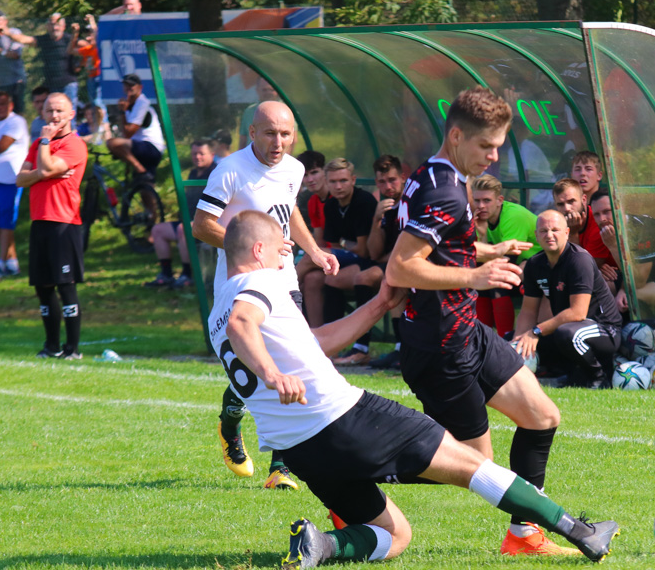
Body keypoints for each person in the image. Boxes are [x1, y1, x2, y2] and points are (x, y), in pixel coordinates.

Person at [210, 209, 620, 567]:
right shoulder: (258, 285)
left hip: (301, 450)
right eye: (282, 246)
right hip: (344, 419)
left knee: (396, 537)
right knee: (475, 464)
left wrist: (378, 306)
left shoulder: (217, 310)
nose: (288, 253)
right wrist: (271, 374)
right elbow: (242, 324)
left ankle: (322, 545)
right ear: (258, 252)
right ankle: (578, 531)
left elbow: (314, 343)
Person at [386, 86, 575, 556]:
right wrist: (477, 274)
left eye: (498, 146)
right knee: (476, 464)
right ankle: (357, 464)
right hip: (439, 345)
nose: (493, 157)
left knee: (542, 416)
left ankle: (524, 536)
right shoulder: (446, 190)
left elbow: (442, 246)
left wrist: (490, 251)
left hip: (465, 330)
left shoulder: (435, 173)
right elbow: (401, 267)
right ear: (456, 135)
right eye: (486, 146)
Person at [192, 100, 338, 490]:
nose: (278, 142)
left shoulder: (294, 168)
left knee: (290, 359)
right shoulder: (230, 171)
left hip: (284, 280)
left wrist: (315, 251)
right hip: (239, 283)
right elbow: (202, 226)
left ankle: (281, 467)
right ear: (252, 133)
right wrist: (253, 249)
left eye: (286, 134)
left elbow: (288, 211)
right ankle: (230, 421)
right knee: (253, 367)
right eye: (270, 133)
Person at [513, 210, 622, 389]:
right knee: (512, 339)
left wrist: (536, 331)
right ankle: (557, 373)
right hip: (567, 327)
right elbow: (528, 310)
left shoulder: (579, 260)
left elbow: (577, 313)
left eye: (555, 230)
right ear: (536, 236)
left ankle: (599, 377)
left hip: (604, 329)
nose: (549, 235)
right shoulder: (534, 264)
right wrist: (519, 341)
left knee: (566, 334)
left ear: (567, 233)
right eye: (543, 231)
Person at [15, 93, 88, 359]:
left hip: (63, 223)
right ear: (43, 114)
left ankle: (73, 349)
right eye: (49, 111)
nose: (54, 116)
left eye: (59, 111)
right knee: (43, 287)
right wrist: (40, 173)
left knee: (65, 284)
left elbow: (46, 166)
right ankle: (51, 347)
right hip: (40, 222)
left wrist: (45, 147)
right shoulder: (37, 144)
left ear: (70, 114)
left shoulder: (74, 145)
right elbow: (21, 179)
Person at [329, 154, 406, 366]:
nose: (387, 186)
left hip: (407, 265)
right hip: (389, 265)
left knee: (380, 277)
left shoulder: (411, 203)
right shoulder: (385, 207)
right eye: (382, 181)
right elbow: (374, 252)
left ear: (403, 178)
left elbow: (408, 247)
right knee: (328, 279)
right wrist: (376, 219)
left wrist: (384, 257)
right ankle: (332, 343)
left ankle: (395, 348)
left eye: (392, 180)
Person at [300, 158, 376, 332]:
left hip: (369, 262)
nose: (338, 186)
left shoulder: (363, 201)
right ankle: (318, 338)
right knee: (312, 279)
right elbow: (335, 246)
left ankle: (286, 288)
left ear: (353, 180)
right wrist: (346, 245)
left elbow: (363, 250)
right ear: (327, 182)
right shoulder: (331, 205)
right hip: (346, 259)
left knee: (312, 255)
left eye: (343, 181)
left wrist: (343, 244)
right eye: (333, 182)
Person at [471, 174, 538, 339]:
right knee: (479, 279)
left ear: (500, 200)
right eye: (476, 201)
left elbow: (506, 261)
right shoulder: (477, 218)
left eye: (487, 200)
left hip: (541, 263)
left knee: (496, 280)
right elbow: (475, 258)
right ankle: (483, 340)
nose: (481, 206)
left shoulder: (513, 216)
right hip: (519, 266)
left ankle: (504, 339)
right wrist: (480, 231)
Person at [145, 139, 216, 289]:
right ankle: (166, 274)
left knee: (183, 229)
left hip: (207, 222)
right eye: (194, 153)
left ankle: (187, 275)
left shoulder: (216, 173)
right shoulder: (193, 173)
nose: (197, 157)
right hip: (187, 220)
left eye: (201, 154)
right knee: (158, 230)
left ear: (212, 154)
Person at [552, 177, 619, 291]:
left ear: (583, 199)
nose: (567, 209)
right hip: (594, 272)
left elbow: (582, 267)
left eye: (571, 201)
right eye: (560, 204)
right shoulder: (556, 222)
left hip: (614, 274)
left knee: (582, 286)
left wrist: (572, 234)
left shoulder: (598, 221)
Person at [4, 14, 79, 110]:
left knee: (69, 112)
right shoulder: (44, 40)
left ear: (64, 26)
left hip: (68, 84)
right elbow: (24, 39)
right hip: (50, 85)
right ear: (47, 26)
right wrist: (7, 32)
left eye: (58, 25)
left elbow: (86, 47)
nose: (55, 28)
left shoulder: (69, 39)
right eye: (52, 24)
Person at [106, 73, 165, 183]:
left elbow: (128, 134)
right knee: (145, 190)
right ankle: (145, 179)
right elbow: (126, 134)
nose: (128, 88)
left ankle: (141, 170)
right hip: (141, 147)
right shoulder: (130, 106)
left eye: (131, 85)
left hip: (151, 148)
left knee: (112, 143)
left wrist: (122, 112)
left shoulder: (142, 103)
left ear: (140, 87)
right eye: (126, 85)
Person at [0, 91, 29, 276]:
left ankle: (1, 264)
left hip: (12, 180)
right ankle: (12, 262)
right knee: (1, 221)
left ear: (10, 105)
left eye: (2, 104)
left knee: (7, 221)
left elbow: (1, 146)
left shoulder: (16, 122)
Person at [293, 150, 327, 250]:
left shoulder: (337, 196)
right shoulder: (311, 201)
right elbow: (319, 242)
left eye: (314, 172)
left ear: (325, 171)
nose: (310, 179)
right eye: (305, 175)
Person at [67, 16, 102, 111]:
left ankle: (104, 122)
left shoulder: (98, 47)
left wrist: (92, 21)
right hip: (91, 78)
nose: (88, 37)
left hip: (100, 77)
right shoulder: (87, 49)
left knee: (99, 102)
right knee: (93, 103)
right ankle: (97, 123)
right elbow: (70, 50)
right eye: (87, 35)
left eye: (90, 34)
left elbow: (97, 34)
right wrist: (74, 35)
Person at [0, 10, 27, 114]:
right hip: (1, 83)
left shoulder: (14, 33)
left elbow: (15, 54)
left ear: (5, 21)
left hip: (16, 81)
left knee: (17, 111)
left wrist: (1, 51)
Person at [238, 78, 279, 150]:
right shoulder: (249, 111)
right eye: (264, 90)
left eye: (271, 90)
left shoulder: (285, 112)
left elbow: (293, 140)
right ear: (257, 90)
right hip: (251, 159)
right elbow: (243, 139)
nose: (268, 93)